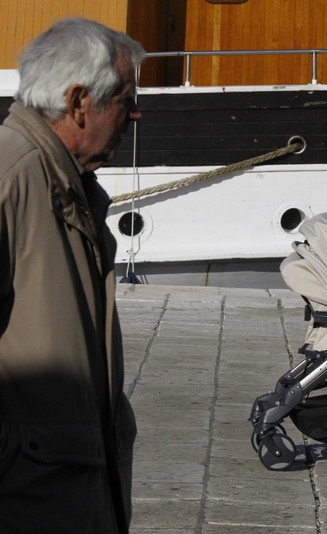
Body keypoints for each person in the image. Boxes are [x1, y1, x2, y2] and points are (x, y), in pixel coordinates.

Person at [0, 18, 145, 533]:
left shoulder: (64, 181)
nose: (135, 113)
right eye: (126, 99)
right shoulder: (14, 177)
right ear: (80, 102)